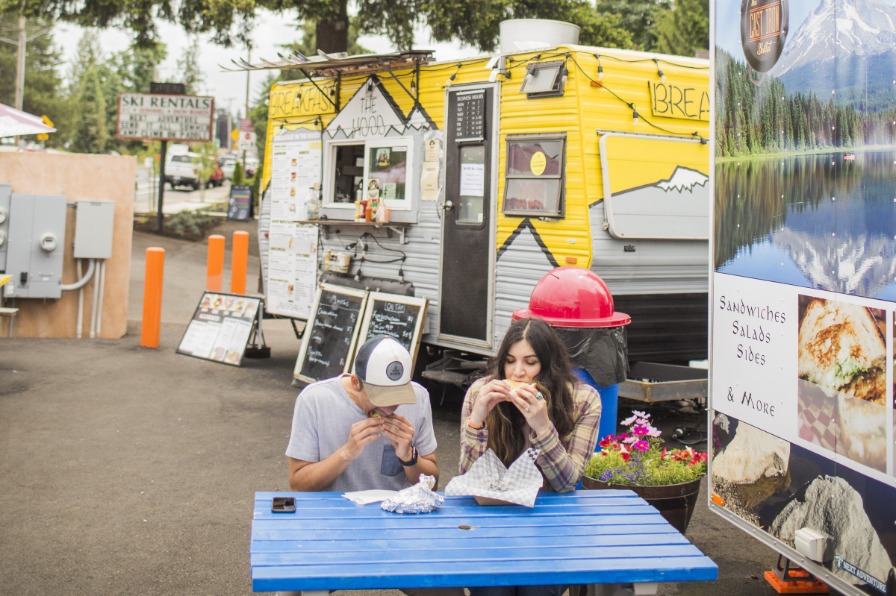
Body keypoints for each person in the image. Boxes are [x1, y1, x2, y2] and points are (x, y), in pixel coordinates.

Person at [459, 317, 602, 596]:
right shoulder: (480, 392)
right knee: (492, 590)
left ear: (549, 366)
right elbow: (467, 477)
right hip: (491, 520)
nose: (518, 373)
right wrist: (477, 419)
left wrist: (542, 426)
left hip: (550, 523)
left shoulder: (583, 400)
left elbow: (567, 483)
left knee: (536, 588)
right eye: (510, 361)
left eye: (530, 362)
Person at [286, 335, 439, 492]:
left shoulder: (419, 397)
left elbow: (432, 485)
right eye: (379, 398)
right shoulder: (315, 400)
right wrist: (346, 453)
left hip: (396, 506)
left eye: (397, 397)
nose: (388, 409)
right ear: (355, 382)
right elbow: (298, 486)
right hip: (335, 507)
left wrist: (409, 457)